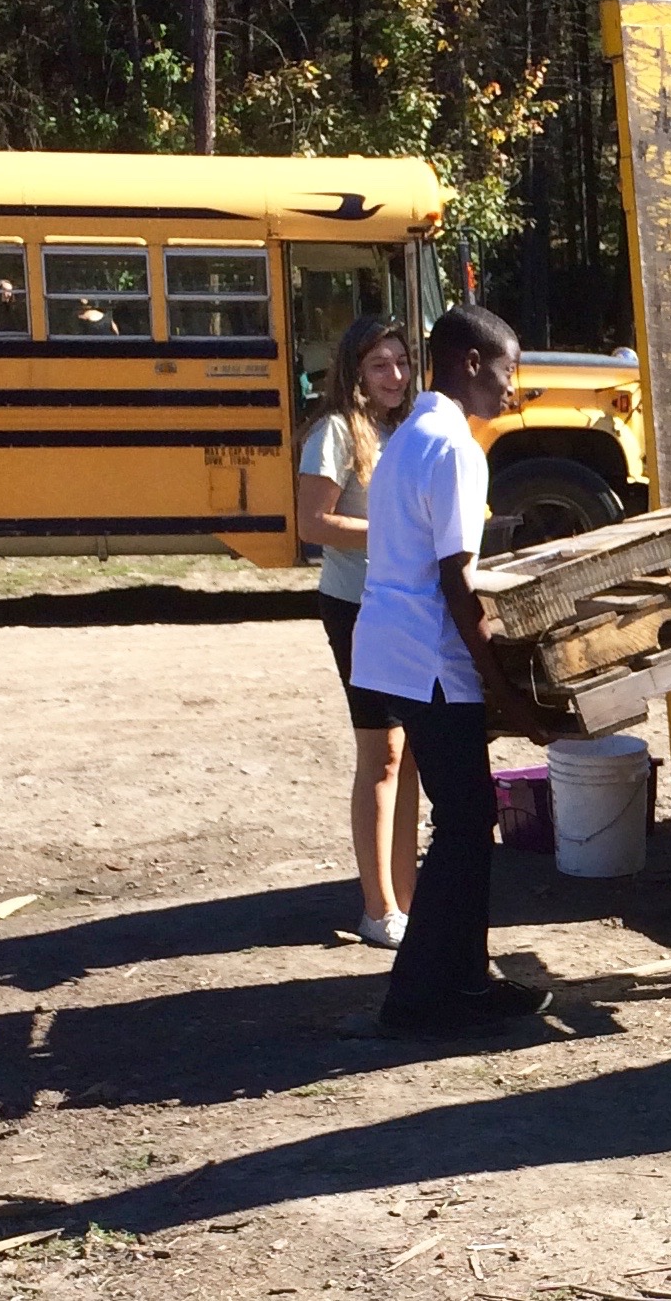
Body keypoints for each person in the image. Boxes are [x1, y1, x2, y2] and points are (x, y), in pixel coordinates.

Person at [350, 305, 558, 1038]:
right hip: (431, 662)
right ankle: (417, 998)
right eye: (507, 371)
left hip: (394, 653)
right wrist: (507, 693)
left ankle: (464, 982)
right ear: (471, 363)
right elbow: (456, 581)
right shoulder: (456, 447)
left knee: (465, 822)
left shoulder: (411, 435)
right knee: (467, 823)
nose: (513, 388)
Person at [296, 315, 419, 950]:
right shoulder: (335, 431)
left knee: (416, 753)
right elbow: (313, 523)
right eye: (379, 365)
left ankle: (409, 899)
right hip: (356, 607)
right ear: (354, 372)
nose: (394, 375)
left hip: (410, 607)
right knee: (383, 754)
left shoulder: (410, 426)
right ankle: (378, 909)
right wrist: (393, 536)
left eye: (400, 361)